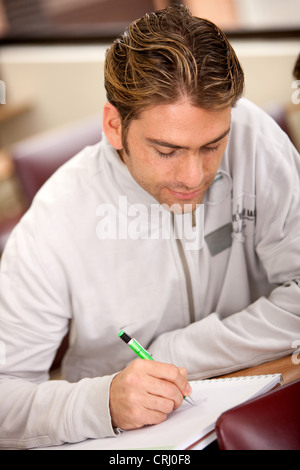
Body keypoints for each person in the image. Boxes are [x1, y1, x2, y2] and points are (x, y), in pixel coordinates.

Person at [0, 5, 299, 449]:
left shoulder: (253, 137)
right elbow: (5, 400)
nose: (195, 176)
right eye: (166, 151)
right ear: (114, 126)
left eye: (212, 146)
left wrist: (176, 353)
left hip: (253, 398)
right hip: (127, 439)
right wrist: (103, 402)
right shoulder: (55, 222)